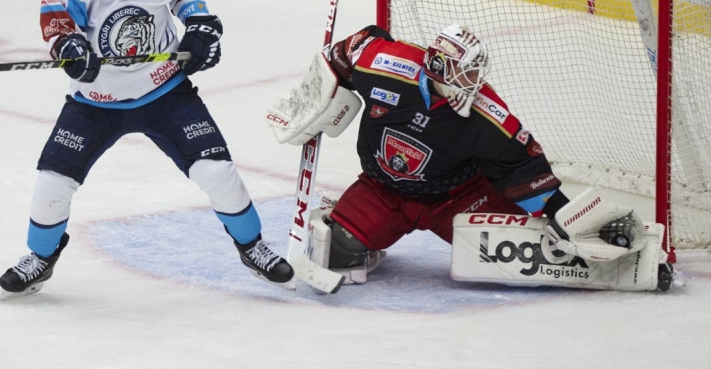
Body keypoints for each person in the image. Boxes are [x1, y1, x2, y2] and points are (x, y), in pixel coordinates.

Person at [0, 0, 294, 299]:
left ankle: (252, 247)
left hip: (165, 93)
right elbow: (57, 20)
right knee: (52, 182)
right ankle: (40, 258)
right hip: (95, 102)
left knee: (218, 171)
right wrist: (71, 47)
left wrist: (200, 29)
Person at [266, 24, 673, 292]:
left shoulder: (488, 116)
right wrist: (313, 100)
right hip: (382, 189)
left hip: (459, 199)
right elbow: (344, 53)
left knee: (537, 251)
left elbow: (523, 168)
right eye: (464, 74)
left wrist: (561, 215)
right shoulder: (387, 67)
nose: (474, 84)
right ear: (439, 67)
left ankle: (638, 259)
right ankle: (364, 235)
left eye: (477, 74)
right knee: (336, 251)